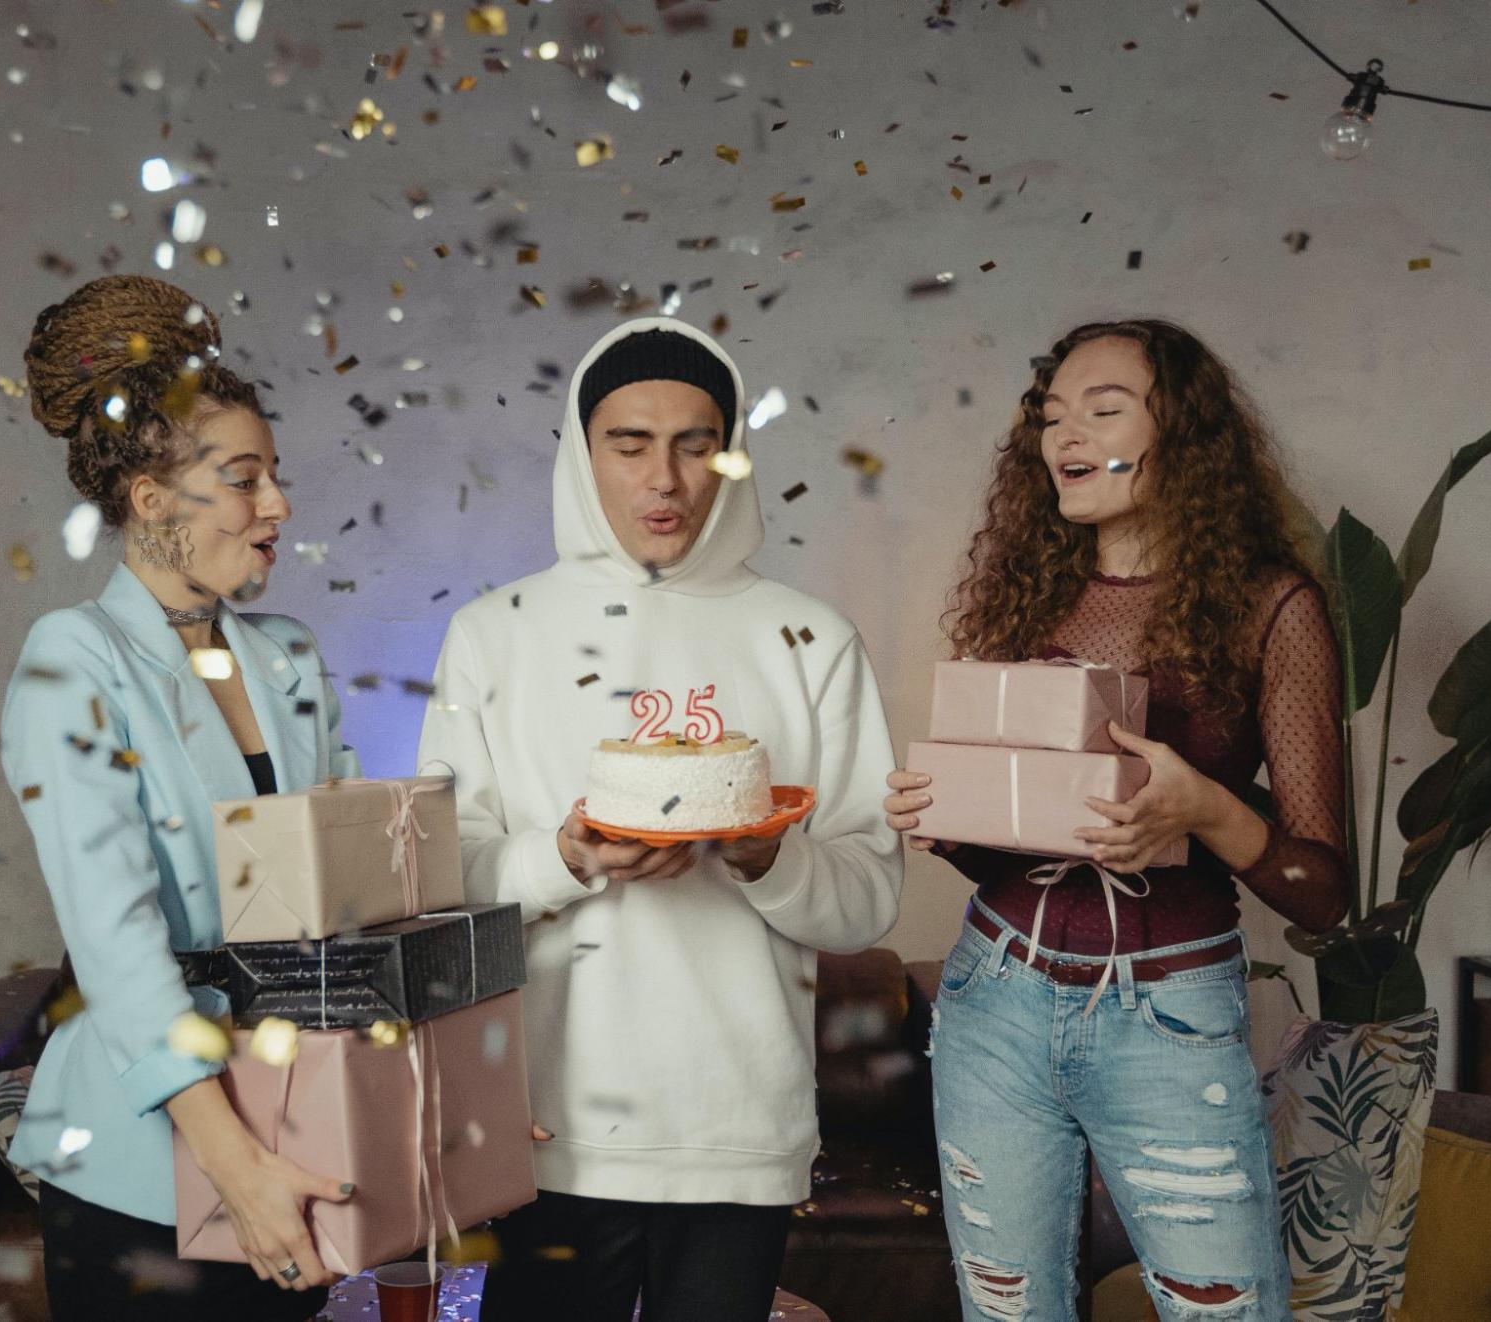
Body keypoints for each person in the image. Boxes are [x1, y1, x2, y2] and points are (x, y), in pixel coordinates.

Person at [418, 317, 905, 1322]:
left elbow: (865, 902)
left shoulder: (808, 637)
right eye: (629, 442)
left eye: (696, 441)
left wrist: (769, 856)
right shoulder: (493, 635)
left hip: (737, 1125)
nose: (666, 478)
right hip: (547, 1121)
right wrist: (562, 855)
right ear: (580, 451)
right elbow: (441, 879)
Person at [885, 319, 1351, 1319]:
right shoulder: (1029, 596)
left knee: (1222, 1306)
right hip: (991, 1002)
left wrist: (1207, 807)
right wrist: (946, 816)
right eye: (1052, 416)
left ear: (1183, 435)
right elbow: (1018, 850)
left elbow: (1324, 890)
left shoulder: (1274, 607)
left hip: (1168, 1015)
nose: (1065, 435)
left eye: (1103, 409)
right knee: (1008, 1309)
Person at [1, 274, 359, 1319]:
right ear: (151, 499)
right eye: (245, 479)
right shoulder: (71, 657)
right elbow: (114, 938)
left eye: (275, 476)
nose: (279, 506)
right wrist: (234, 1164)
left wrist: (430, 1090)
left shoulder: (289, 653)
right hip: (142, 1153)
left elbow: (351, 896)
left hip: (296, 1118)